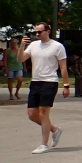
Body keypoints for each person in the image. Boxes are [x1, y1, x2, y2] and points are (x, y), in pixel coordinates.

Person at [16, 22, 68, 154]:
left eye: (39, 32)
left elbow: (63, 67)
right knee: (32, 115)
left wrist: (66, 85)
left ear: (48, 31)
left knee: (43, 113)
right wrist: (22, 46)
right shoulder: (33, 45)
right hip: (36, 82)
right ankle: (55, 130)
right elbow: (20, 59)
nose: (37, 34)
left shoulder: (57, 46)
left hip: (49, 82)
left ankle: (43, 144)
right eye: (35, 32)